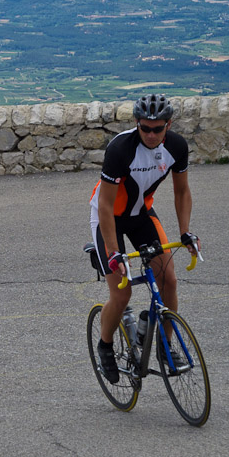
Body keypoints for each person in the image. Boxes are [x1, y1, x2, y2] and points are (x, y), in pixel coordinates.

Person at [89, 94, 201, 383]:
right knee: (122, 292)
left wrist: (185, 232)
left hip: (141, 215)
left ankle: (163, 344)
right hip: (108, 218)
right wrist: (114, 252)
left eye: (158, 129)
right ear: (137, 124)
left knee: (169, 280)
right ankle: (105, 345)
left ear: (168, 125)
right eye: (145, 128)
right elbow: (105, 206)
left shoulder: (176, 147)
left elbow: (181, 192)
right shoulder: (120, 149)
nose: (151, 134)